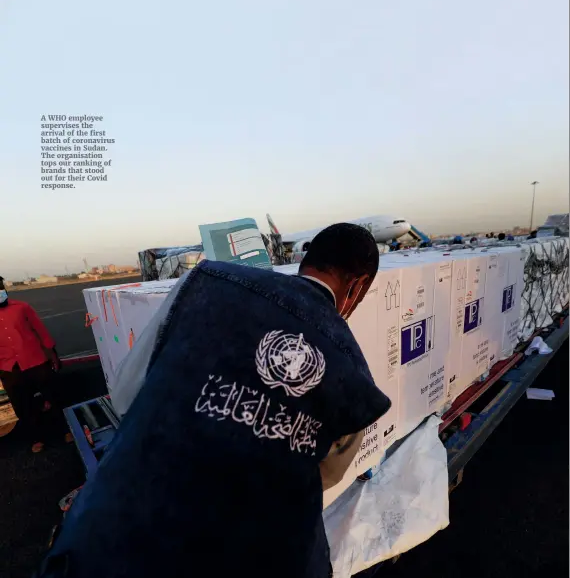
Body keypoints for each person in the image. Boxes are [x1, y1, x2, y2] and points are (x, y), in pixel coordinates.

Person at [39, 224, 391, 578]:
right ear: (358, 286)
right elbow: (318, 479)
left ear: (304, 259)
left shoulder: (206, 282)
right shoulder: (356, 377)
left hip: (106, 545)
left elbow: (126, 394)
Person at [0, 277, 69, 452]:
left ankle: (65, 430)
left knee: (53, 396)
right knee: (22, 405)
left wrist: (52, 354)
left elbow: (40, 330)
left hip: (35, 359)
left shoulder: (21, 307)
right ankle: (35, 438)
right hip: (8, 367)